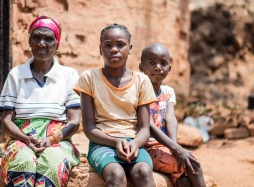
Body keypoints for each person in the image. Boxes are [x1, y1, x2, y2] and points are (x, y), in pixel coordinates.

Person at [0, 15, 81, 187]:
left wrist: (50, 139)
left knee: (52, 162)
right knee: (24, 161)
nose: (42, 43)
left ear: (57, 45)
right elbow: (6, 121)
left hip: (58, 140)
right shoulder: (16, 74)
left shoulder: (68, 75)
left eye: (48, 39)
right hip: (20, 139)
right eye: (37, 37)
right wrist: (25, 139)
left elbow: (74, 121)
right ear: (30, 41)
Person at [74, 23, 157, 187]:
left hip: (134, 143)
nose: (114, 50)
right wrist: (116, 142)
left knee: (143, 172)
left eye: (120, 44)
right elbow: (89, 128)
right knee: (116, 174)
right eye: (108, 45)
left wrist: (135, 144)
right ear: (100, 49)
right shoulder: (89, 78)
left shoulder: (142, 81)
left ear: (130, 47)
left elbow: (145, 129)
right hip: (102, 143)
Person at [139, 43, 206, 187]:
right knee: (194, 167)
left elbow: (170, 118)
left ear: (169, 68)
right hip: (146, 148)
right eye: (152, 63)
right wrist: (176, 149)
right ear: (141, 68)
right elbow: (148, 125)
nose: (158, 67)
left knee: (184, 181)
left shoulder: (168, 92)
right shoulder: (139, 91)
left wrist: (174, 147)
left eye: (163, 63)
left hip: (165, 146)